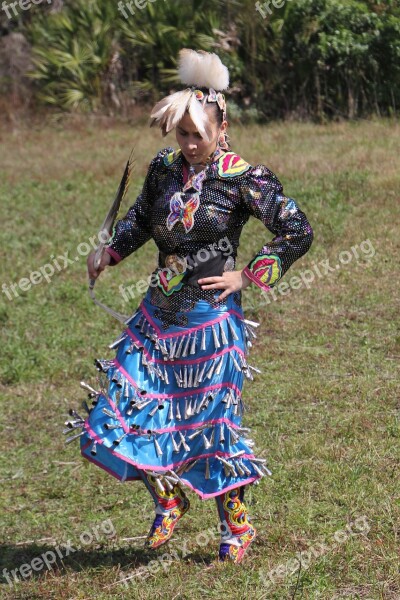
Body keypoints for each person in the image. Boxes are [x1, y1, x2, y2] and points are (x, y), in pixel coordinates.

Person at [66, 49, 314, 564]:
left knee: (209, 425)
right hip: (157, 317)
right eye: (182, 134)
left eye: (198, 134)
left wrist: (248, 274)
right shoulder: (162, 170)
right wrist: (109, 252)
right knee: (119, 412)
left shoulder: (244, 178)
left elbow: (297, 229)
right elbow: (138, 220)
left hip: (212, 324)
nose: (189, 144)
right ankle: (167, 496)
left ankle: (236, 526)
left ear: (223, 127)